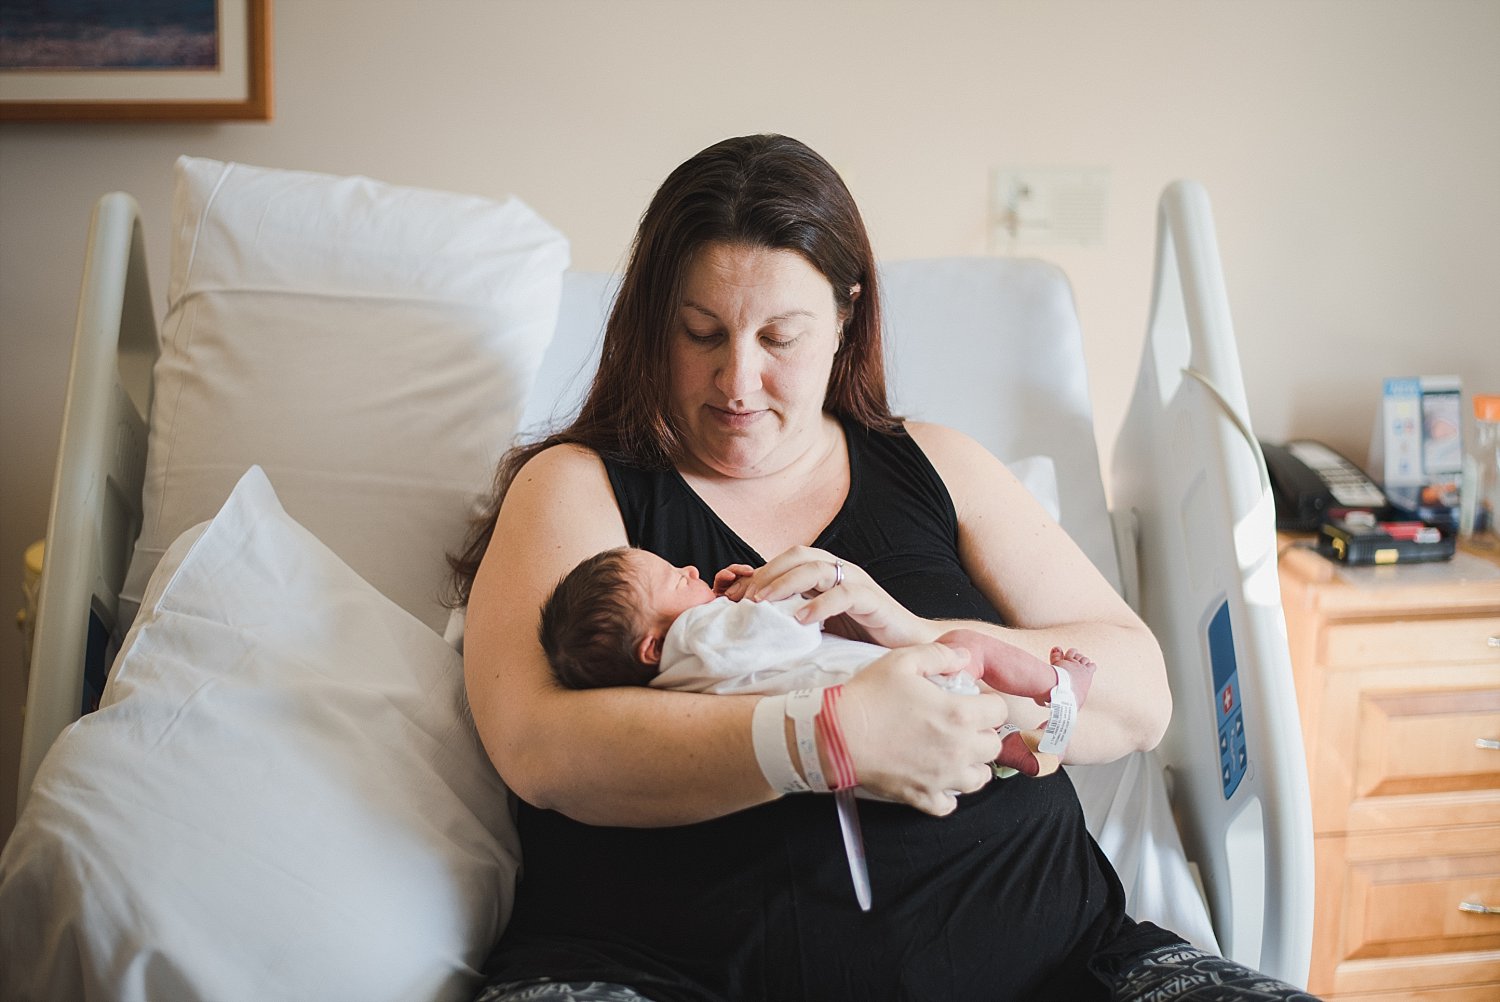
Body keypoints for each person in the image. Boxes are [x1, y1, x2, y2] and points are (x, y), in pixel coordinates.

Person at [453, 134, 1319, 1001]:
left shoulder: (939, 467)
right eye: (702, 332)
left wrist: (916, 634)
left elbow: (1138, 698)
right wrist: (827, 737)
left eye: (779, 337)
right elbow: (540, 747)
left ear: (844, 318)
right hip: (660, 975)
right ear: (656, 324)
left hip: (1059, 970)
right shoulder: (579, 486)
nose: (738, 380)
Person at [538, 545, 1098, 779]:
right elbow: (791, 634)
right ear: (652, 648)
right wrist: (762, 591)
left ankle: (1020, 753)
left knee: (976, 720)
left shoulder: (680, 686)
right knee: (966, 646)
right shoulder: (699, 637)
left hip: (895, 734)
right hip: (903, 692)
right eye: (671, 579)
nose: (688, 571)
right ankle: (1057, 684)